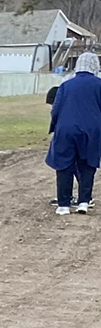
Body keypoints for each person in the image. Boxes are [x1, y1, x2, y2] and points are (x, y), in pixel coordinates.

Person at [46, 50, 101, 215]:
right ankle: (84, 201)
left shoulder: (65, 84)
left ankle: (63, 204)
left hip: (66, 129)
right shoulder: (99, 84)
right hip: (92, 130)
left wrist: (55, 126)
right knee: (87, 165)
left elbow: (55, 110)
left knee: (64, 165)